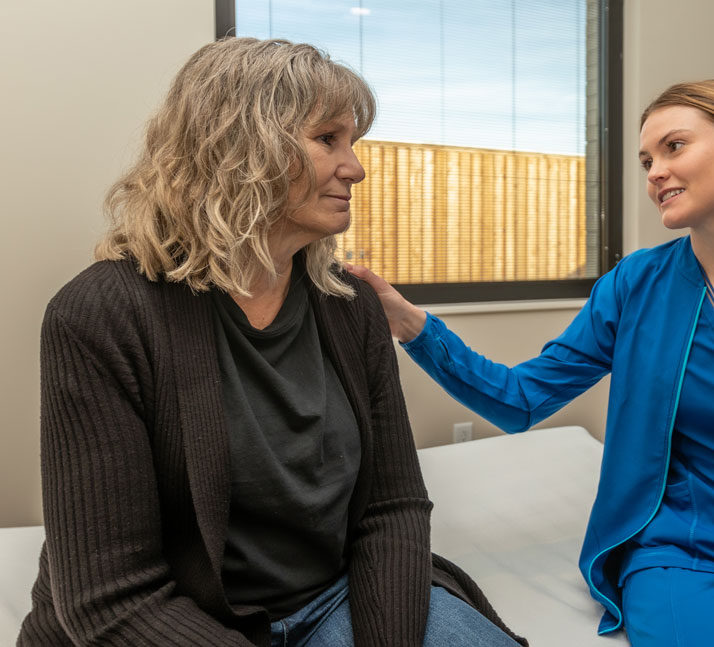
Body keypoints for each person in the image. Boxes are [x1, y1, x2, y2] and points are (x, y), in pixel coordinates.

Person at [348, 80, 714, 647]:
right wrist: (411, 325)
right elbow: (520, 399)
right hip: (688, 564)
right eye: (646, 159)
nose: (656, 172)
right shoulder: (636, 285)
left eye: (674, 146)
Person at [18, 38, 526, 647]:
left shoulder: (350, 305)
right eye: (327, 139)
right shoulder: (101, 315)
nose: (356, 168)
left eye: (353, 143)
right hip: (176, 618)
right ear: (240, 148)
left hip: (333, 597)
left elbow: (392, 509)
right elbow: (112, 602)